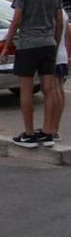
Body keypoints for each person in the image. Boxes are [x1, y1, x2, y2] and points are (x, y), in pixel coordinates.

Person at [0, 0, 64, 148]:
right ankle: (48, 131)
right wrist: (54, 40)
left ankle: (29, 133)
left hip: (28, 45)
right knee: (49, 88)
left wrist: (5, 46)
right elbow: (59, 21)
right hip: (48, 44)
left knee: (25, 89)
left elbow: (16, 21)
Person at [51, 8, 70, 141]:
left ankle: (52, 129)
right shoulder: (63, 12)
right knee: (59, 89)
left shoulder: (53, 12)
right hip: (62, 56)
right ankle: (54, 128)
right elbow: (68, 32)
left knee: (54, 90)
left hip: (55, 56)